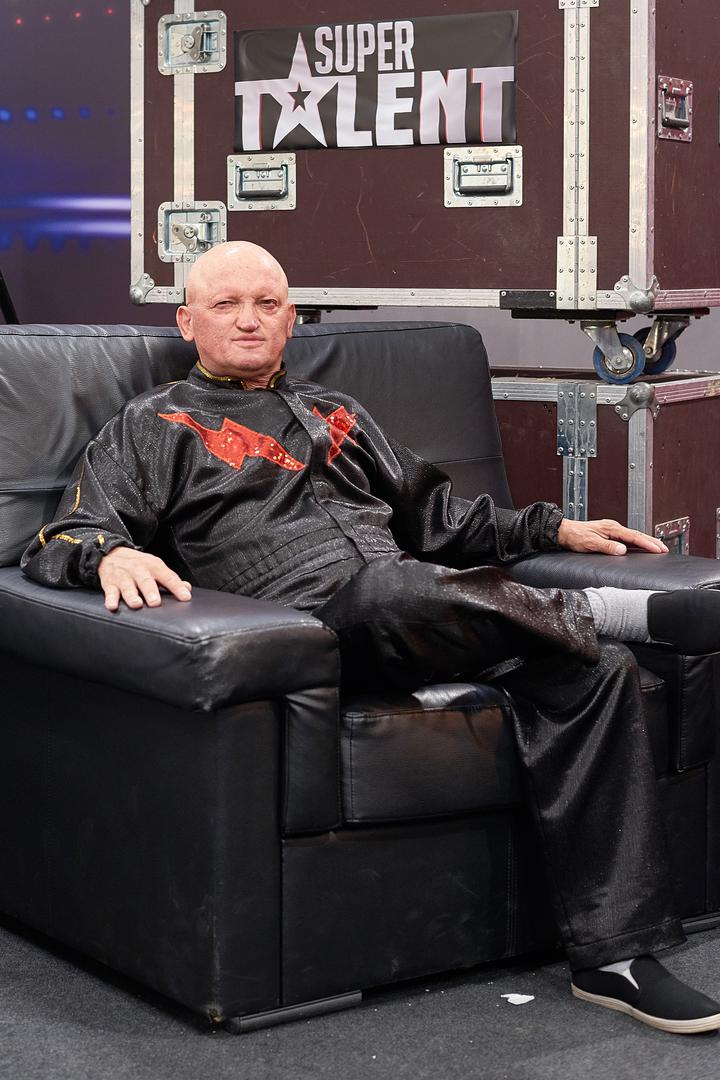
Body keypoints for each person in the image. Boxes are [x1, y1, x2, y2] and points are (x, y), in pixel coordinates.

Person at [21, 241, 720, 1034]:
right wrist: (109, 553)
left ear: (291, 319)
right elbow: (62, 535)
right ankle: (604, 612)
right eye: (226, 304)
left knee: (597, 671)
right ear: (188, 322)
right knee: (398, 588)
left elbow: (441, 521)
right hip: (314, 634)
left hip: (426, 613)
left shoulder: (338, 412)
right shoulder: (153, 423)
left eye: (267, 304)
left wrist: (556, 526)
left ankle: (617, 958)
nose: (249, 320)